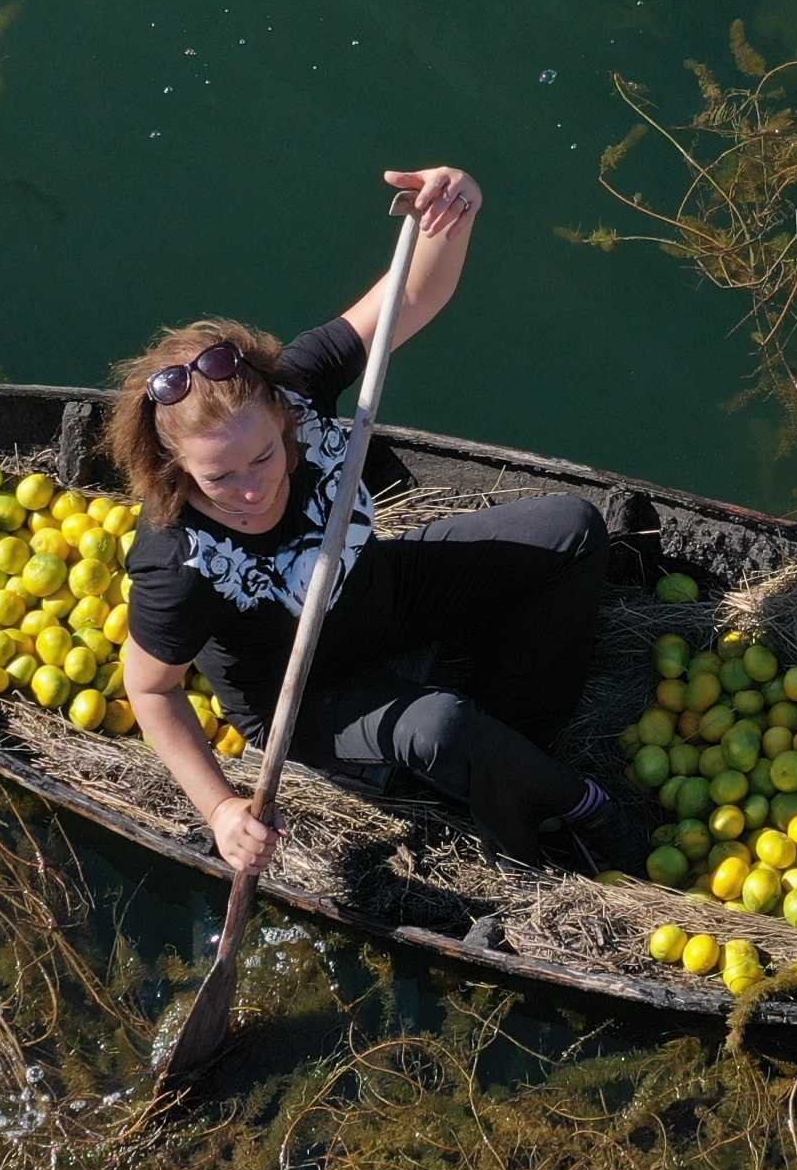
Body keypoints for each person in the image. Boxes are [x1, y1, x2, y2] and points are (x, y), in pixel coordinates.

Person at [107, 163, 654, 883]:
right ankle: (563, 806)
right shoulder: (179, 560)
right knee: (441, 725)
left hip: (380, 596)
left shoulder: (299, 386)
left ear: (280, 414)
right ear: (178, 469)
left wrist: (456, 208)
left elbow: (416, 292)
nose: (252, 488)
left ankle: (514, 746)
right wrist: (220, 811)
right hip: (304, 697)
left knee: (572, 528)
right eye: (220, 477)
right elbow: (150, 688)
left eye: (264, 456)